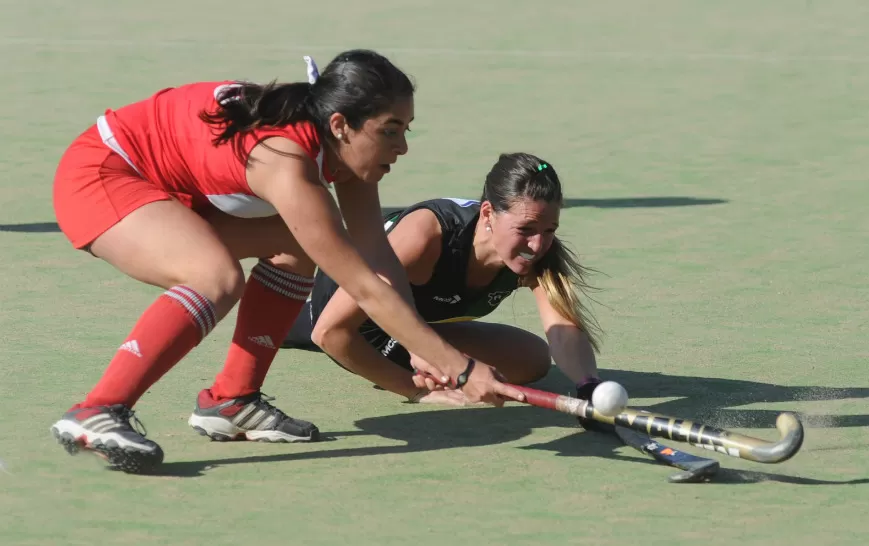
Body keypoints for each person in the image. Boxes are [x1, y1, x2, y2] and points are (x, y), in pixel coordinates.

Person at [49, 49, 523, 474]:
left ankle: (232, 399)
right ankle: (99, 409)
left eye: (405, 129)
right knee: (214, 276)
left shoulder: (346, 154)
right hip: (104, 173)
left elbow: (375, 257)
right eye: (390, 131)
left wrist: (419, 344)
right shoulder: (285, 161)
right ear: (340, 125)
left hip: (173, 187)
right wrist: (459, 367)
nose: (402, 147)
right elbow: (360, 284)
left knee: (292, 246)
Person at [282, 152, 608, 409]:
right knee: (323, 331)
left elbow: (563, 330)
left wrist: (588, 385)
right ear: (487, 214)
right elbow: (331, 332)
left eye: (549, 230)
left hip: (415, 321)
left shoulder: (539, 252)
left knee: (531, 360)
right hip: (351, 320)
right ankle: (292, 321)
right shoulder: (427, 237)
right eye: (525, 230)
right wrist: (413, 390)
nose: (537, 245)